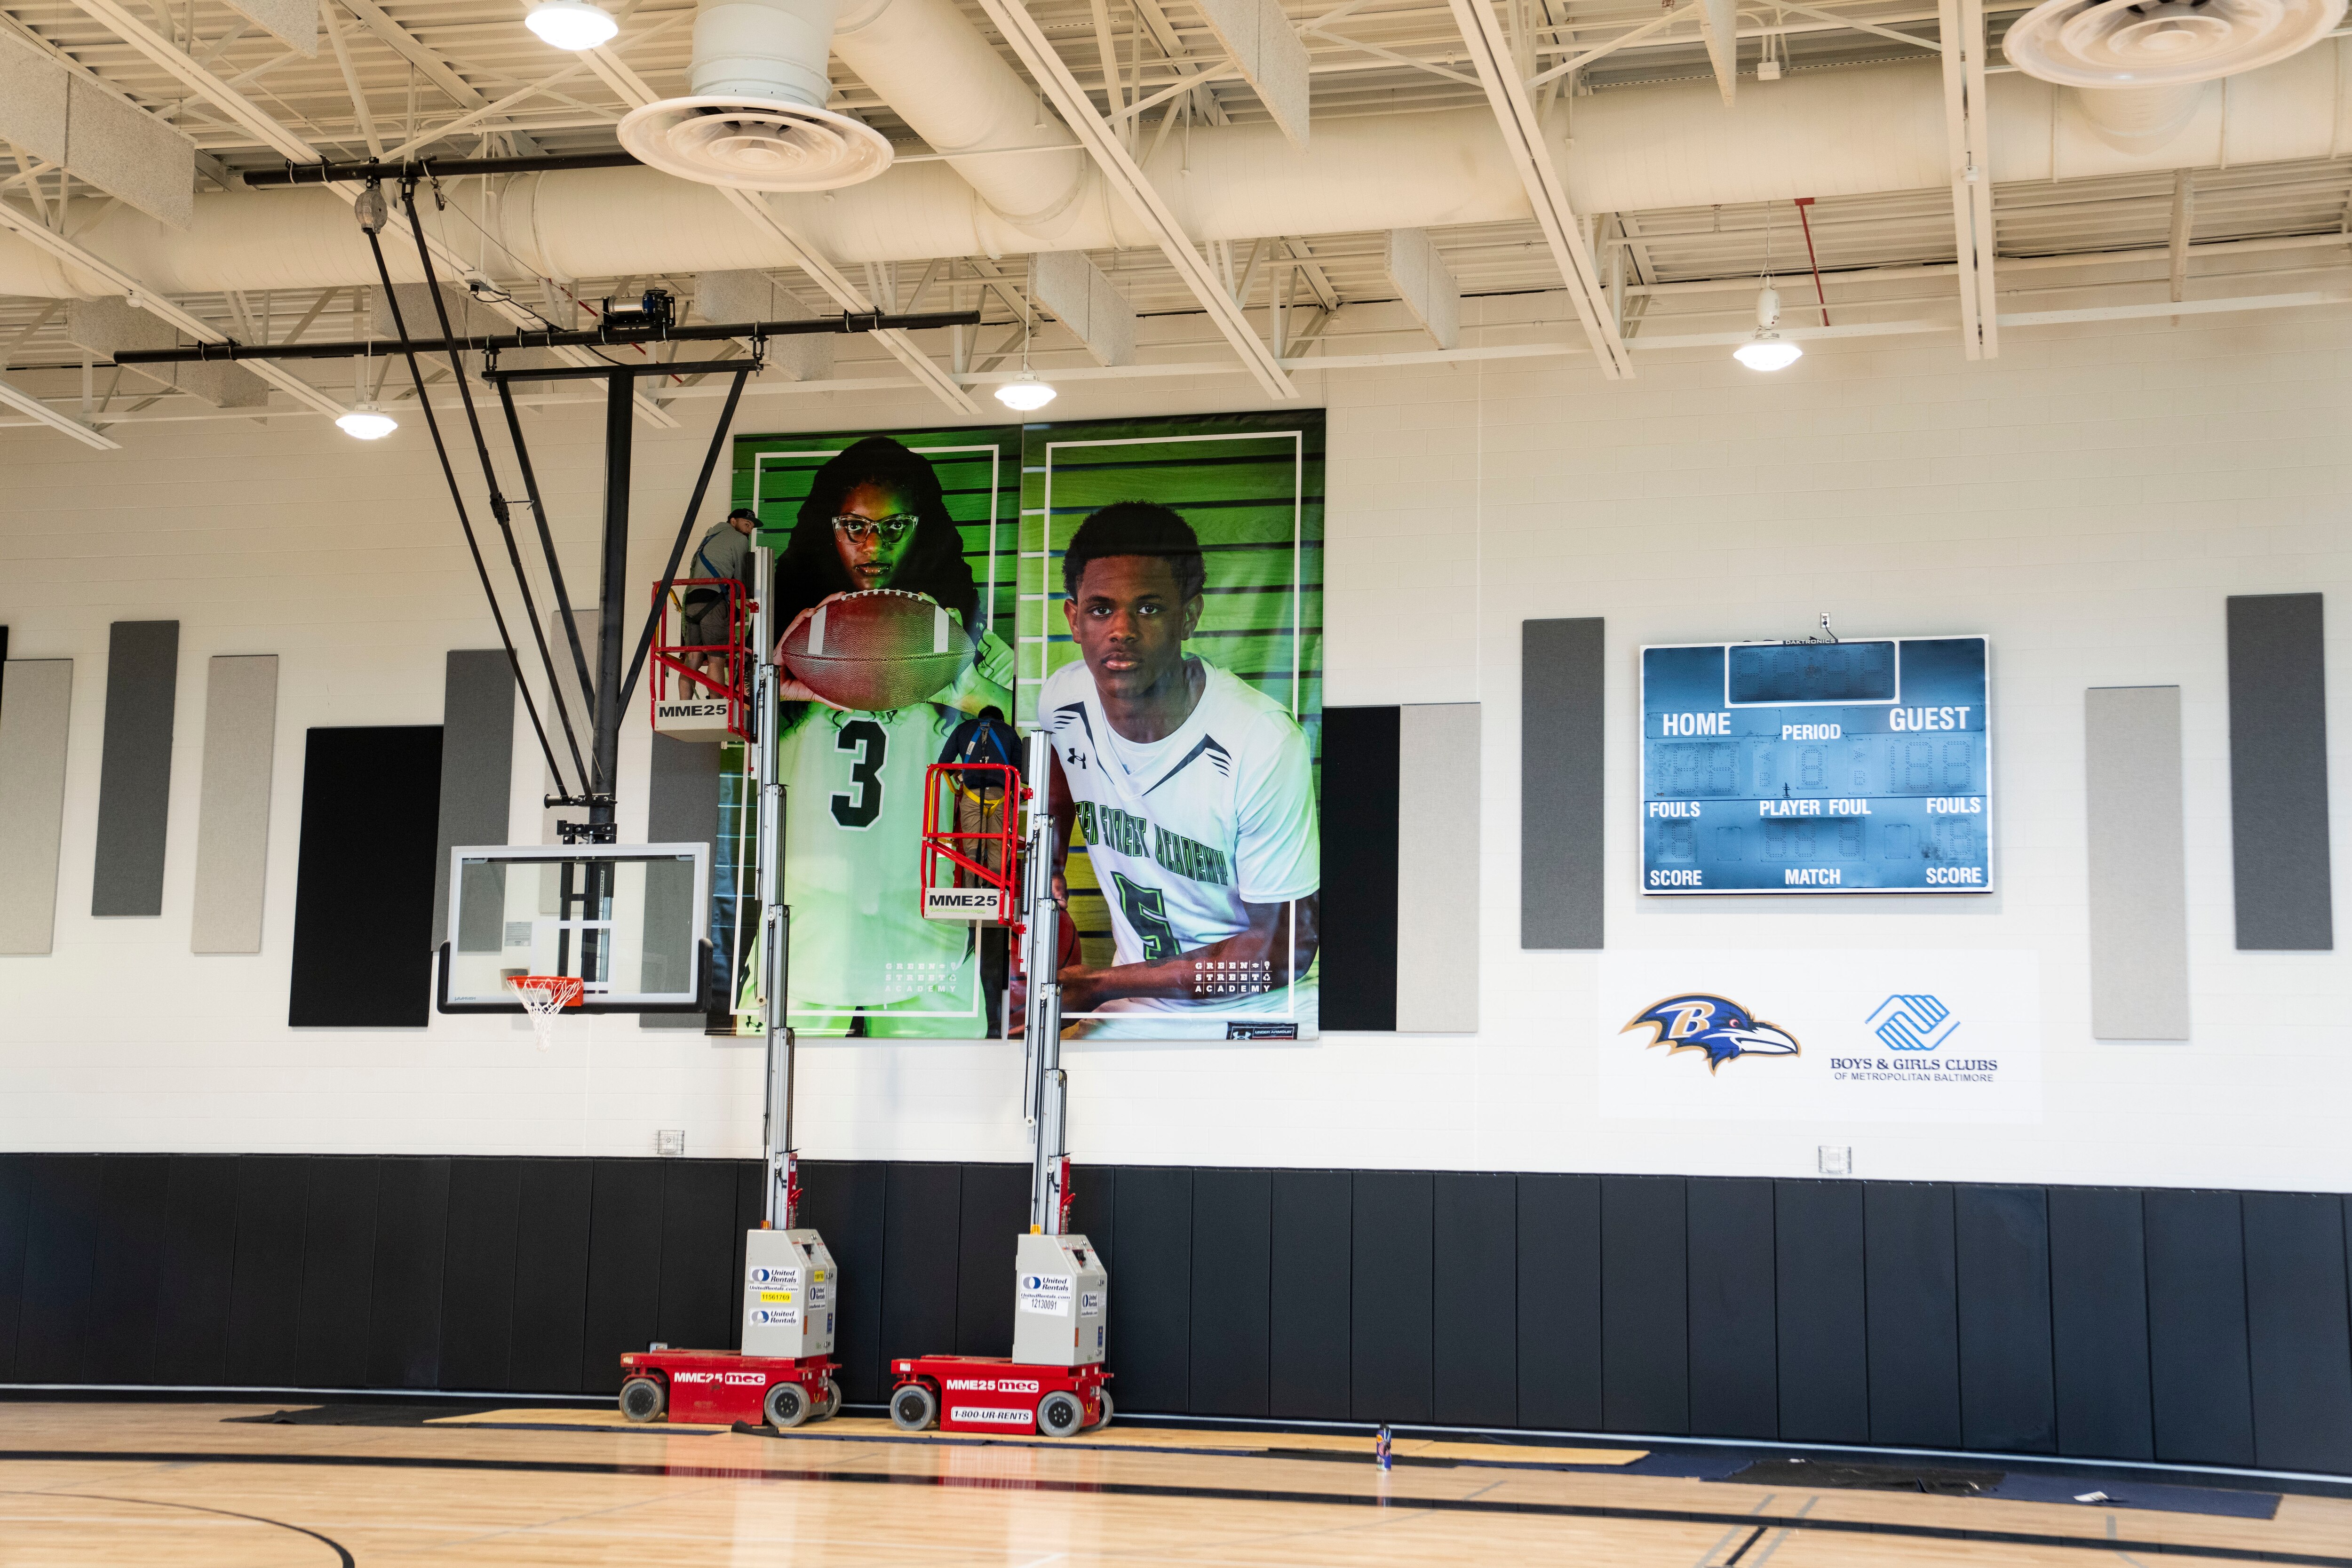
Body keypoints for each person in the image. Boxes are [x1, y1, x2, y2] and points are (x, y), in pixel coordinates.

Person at [760, 437, 1015, 1038]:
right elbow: (723, 736)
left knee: (941, 1118)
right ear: (828, 528)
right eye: (855, 526)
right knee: (769, 1108)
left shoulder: (970, 644)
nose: (873, 546)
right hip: (804, 934)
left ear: (922, 529)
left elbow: (1032, 739)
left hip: (924, 935)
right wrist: (773, 685)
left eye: (895, 526)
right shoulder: (781, 642)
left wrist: (965, 688)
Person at [1037, 501, 1319, 1039]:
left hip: (1260, 1007)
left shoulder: (1259, 741)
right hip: (1135, 1004)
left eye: (1148, 609)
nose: (1120, 630)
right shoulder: (1062, 699)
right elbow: (1059, 773)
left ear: (1188, 616)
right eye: (1100, 609)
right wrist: (1049, 859)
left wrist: (1100, 984)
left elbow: (1284, 953)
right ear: (1073, 619)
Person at [682, 506, 757, 683]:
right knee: (717, 659)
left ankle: (684, 704)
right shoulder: (738, 539)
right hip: (713, 601)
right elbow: (740, 576)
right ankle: (718, 708)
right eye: (747, 524)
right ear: (733, 521)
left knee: (692, 660)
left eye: (752, 527)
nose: (749, 529)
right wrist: (743, 599)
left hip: (692, 600)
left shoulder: (710, 536)